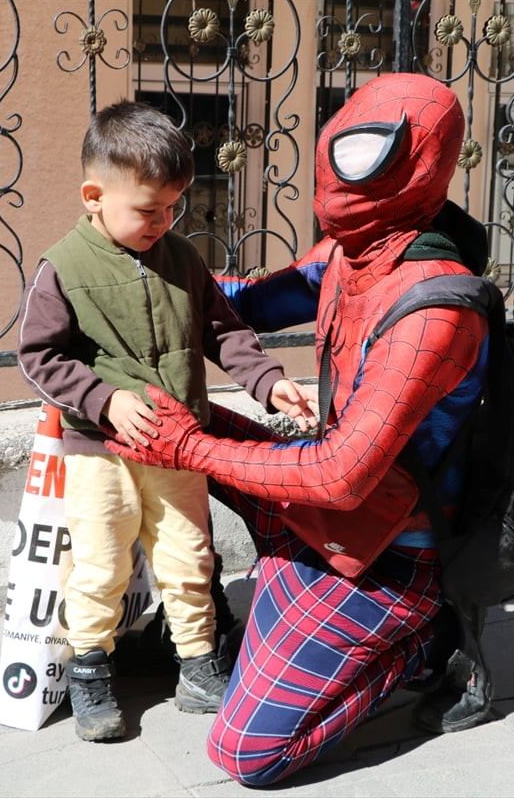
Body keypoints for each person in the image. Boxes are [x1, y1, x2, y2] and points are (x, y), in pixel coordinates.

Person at [106, 74, 494, 785]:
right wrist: (105, 281)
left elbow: (342, 476)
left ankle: (427, 643)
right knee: (156, 421)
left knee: (248, 753)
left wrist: (190, 447)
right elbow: (243, 303)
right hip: (323, 500)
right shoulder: (353, 251)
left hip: (385, 550)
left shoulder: (435, 308)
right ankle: (280, 592)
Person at [16, 100, 317, 743]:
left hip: (182, 448)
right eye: (148, 210)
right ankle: (91, 674)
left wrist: (270, 383)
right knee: (98, 565)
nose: (162, 222)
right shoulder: (62, 267)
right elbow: (38, 357)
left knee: (189, 557)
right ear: (94, 196)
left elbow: (224, 332)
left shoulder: (183, 258)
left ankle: (198, 666)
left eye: (172, 207)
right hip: (99, 449)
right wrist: (103, 400)